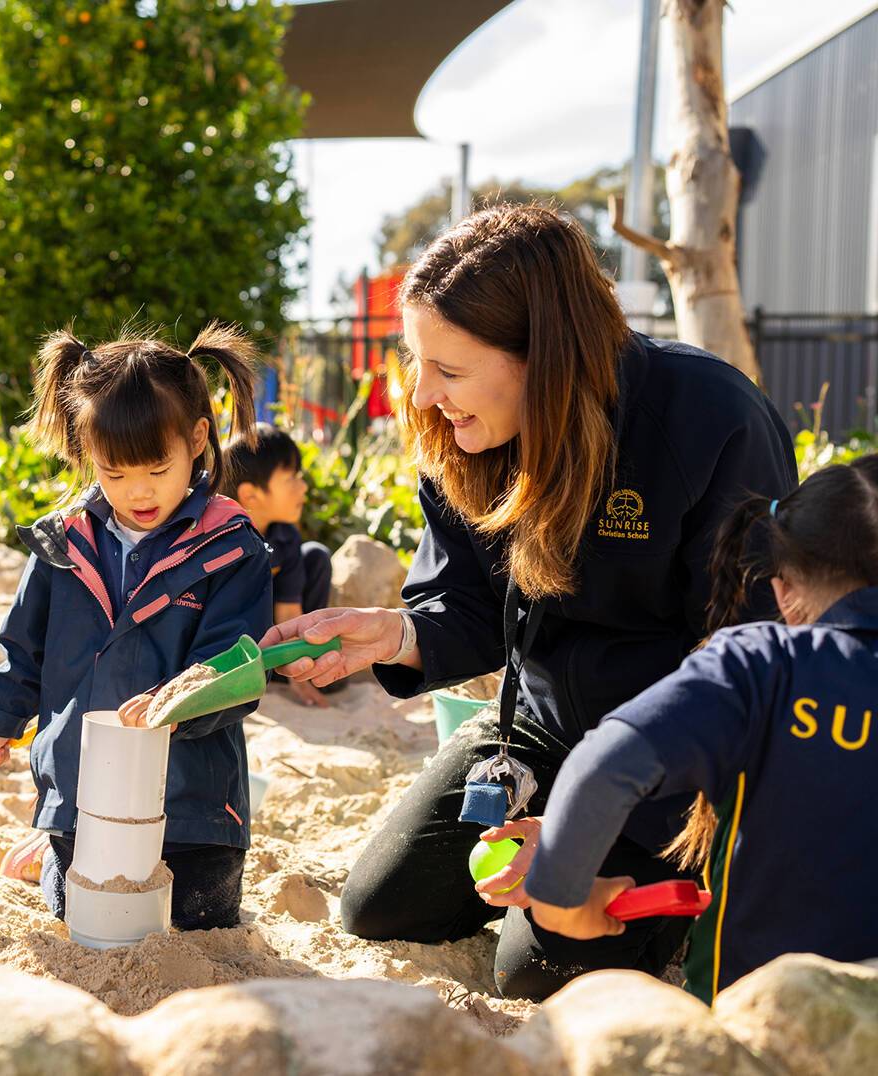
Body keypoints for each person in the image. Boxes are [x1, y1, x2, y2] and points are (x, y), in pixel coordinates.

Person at [264, 203, 797, 1000]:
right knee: (379, 908)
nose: (420, 395)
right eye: (415, 362)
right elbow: (474, 611)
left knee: (539, 972)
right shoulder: (465, 439)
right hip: (538, 728)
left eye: (448, 370)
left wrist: (590, 823)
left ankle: (669, 906)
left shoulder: (711, 420)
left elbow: (744, 674)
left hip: (669, 760)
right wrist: (396, 634)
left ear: (544, 358)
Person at [497, 455, 878, 1002]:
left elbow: (601, 766)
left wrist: (564, 899)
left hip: (759, 1014)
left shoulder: (759, 665)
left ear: (784, 589)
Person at [0, 324, 273, 930]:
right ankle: (49, 853)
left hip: (193, 811)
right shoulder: (63, 542)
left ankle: (60, 861)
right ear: (89, 456)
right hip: (82, 802)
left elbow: (236, 665)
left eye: (157, 468)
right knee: (80, 916)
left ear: (196, 440)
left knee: (194, 922)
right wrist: (0, 720)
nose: (137, 490)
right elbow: (24, 648)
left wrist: (172, 705)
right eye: (114, 472)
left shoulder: (231, 548)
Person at [223, 422, 336, 706]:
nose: (303, 486)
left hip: (271, 634)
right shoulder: (220, 537)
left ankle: (284, 670)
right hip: (228, 641)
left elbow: (289, 609)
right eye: (291, 479)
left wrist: (301, 678)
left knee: (316, 557)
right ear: (251, 495)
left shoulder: (284, 535)